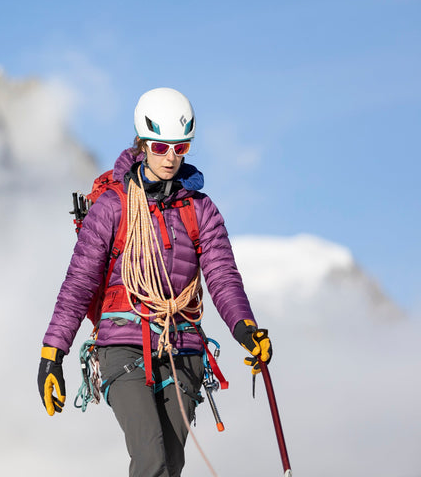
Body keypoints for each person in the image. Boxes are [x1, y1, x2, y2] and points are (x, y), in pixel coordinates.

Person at [37, 88, 273, 477]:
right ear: (143, 143)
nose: (171, 158)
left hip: (183, 346)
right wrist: (52, 355)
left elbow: (222, 276)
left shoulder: (201, 209)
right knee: (150, 458)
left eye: (180, 148)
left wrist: (245, 328)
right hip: (122, 343)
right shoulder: (112, 206)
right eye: (161, 147)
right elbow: (79, 282)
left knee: (171, 463)